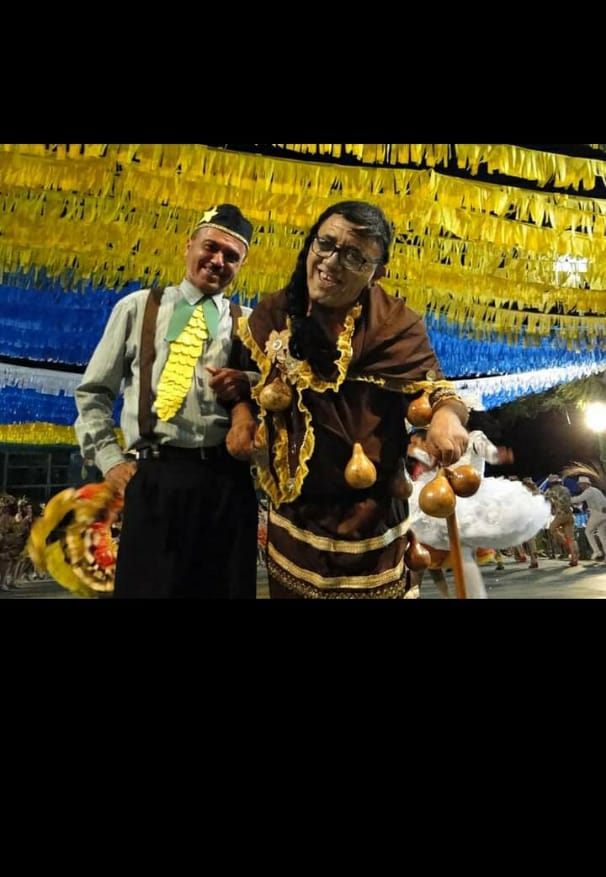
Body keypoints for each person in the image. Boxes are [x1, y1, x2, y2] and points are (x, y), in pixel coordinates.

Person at [227, 201, 470, 599]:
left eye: (354, 256)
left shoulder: (396, 324)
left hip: (372, 525)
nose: (331, 262)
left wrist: (447, 418)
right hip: (294, 519)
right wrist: (241, 416)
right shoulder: (273, 313)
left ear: (377, 273)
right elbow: (241, 377)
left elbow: (438, 390)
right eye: (325, 244)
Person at [75, 204, 259, 599]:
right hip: (156, 477)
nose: (218, 261)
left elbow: (281, 394)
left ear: (241, 265)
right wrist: (110, 460)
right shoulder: (138, 307)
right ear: (188, 245)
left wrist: (248, 382)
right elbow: (93, 393)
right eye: (210, 247)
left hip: (228, 483)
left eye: (231, 256)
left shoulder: (250, 323)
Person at [406, 431, 551, 598]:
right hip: (450, 502)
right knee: (461, 554)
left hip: (471, 502)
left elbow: (488, 452)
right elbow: (429, 460)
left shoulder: (473, 438)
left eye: (416, 442)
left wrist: (497, 455)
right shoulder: (442, 445)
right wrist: (414, 450)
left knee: (464, 553)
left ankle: (471, 595)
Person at [543, 475, 579, 567]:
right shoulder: (566, 489)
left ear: (551, 483)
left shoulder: (550, 491)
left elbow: (544, 499)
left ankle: (565, 542)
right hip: (570, 514)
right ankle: (574, 558)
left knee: (552, 529)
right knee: (571, 537)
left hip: (561, 514)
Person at [570, 474, 606, 561]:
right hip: (604, 514)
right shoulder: (596, 490)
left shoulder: (588, 491)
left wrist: (567, 499)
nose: (580, 486)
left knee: (588, 531)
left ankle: (597, 551)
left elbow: (578, 499)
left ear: (585, 484)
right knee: (602, 535)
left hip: (597, 513)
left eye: (580, 484)